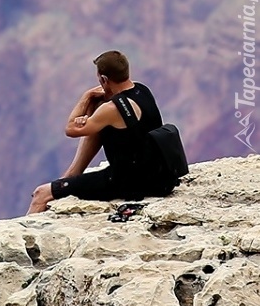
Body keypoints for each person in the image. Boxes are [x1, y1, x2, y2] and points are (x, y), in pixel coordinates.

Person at [28, 50, 171, 214]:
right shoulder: (142, 90)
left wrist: (87, 96)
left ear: (103, 79)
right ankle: (71, 176)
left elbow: (71, 129)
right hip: (155, 176)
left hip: (126, 182)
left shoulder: (111, 109)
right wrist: (94, 112)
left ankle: (25, 233)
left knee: (41, 193)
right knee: (99, 121)